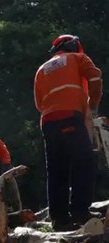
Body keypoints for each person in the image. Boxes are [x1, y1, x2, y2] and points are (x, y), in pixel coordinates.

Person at [34, 34, 103, 231]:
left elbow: (40, 103)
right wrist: (93, 106)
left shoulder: (41, 70)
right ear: (73, 45)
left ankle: (59, 219)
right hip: (71, 116)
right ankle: (80, 212)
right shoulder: (78, 58)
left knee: (57, 170)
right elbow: (95, 77)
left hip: (48, 122)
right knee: (85, 161)